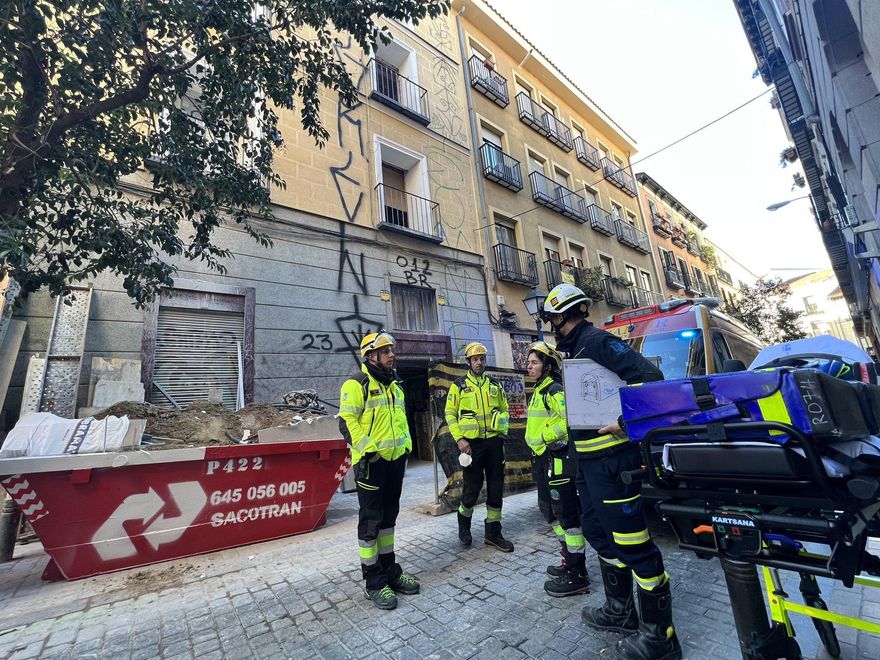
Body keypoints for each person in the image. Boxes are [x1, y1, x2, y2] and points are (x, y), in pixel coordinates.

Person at [541, 283, 681, 660]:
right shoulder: (575, 352)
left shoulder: (597, 342)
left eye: (552, 318)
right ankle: (620, 611)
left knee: (633, 544)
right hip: (588, 463)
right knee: (598, 533)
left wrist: (623, 420)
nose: (551, 325)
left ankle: (660, 637)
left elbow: (651, 379)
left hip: (612, 462)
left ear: (561, 316)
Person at [338, 332, 420, 610]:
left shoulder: (394, 385)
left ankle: (390, 570)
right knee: (371, 523)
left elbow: (401, 421)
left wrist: (407, 446)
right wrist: (369, 451)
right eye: (386, 351)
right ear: (371, 356)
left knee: (388, 519)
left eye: (391, 350)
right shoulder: (356, 384)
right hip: (372, 465)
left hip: (394, 462)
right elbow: (347, 422)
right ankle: (373, 581)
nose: (392, 355)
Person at [524, 341, 589, 597]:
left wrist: (543, 438)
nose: (529, 367)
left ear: (548, 365)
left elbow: (566, 422)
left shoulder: (554, 389)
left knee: (567, 517)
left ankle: (578, 574)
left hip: (557, 462)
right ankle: (568, 560)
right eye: (528, 363)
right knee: (550, 513)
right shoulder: (539, 390)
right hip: (543, 460)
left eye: (534, 362)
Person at [445, 341, 513, 552]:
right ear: (468, 362)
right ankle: (464, 525)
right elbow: (449, 414)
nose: (479, 362)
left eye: (482, 358)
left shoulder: (494, 384)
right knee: (471, 490)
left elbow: (505, 409)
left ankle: (493, 533)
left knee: (495, 488)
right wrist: (459, 439)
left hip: (493, 444)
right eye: (475, 359)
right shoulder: (459, 386)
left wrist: (501, 434)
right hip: (471, 445)